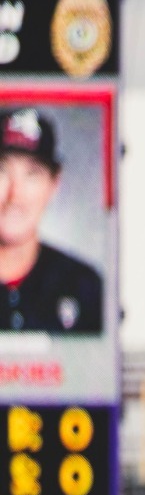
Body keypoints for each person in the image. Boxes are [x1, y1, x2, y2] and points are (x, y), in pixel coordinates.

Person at [0, 107, 103, 334]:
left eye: (32, 174)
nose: (15, 196)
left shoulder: (84, 287)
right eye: (2, 170)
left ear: (54, 184)